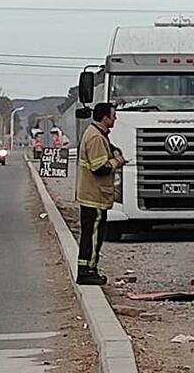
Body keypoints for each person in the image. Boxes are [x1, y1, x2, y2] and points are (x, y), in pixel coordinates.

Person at [76, 102, 126, 285]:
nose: (115, 118)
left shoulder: (96, 134)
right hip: (95, 195)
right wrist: (117, 162)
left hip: (91, 195)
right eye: (113, 115)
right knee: (94, 236)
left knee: (89, 234)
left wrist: (114, 151)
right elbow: (100, 168)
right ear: (105, 117)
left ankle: (85, 268)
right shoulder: (96, 138)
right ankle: (88, 271)